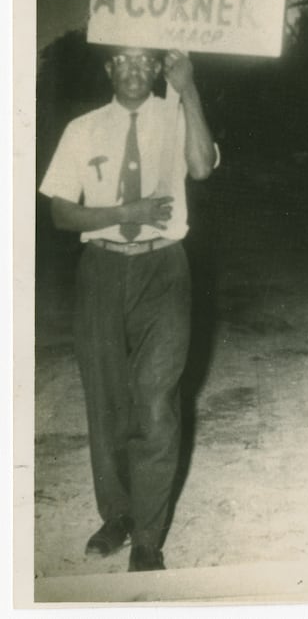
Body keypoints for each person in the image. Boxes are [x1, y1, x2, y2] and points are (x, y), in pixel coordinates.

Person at [39, 46, 218, 571]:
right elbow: (60, 213)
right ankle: (116, 514)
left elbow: (203, 167)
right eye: (124, 60)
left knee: (157, 400)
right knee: (106, 398)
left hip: (164, 269)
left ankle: (147, 536)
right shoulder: (83, 129)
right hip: (101, 269)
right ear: (109, 69)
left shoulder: (176, 114)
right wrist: (124, 212)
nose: (135, 69)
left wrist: (188, 89)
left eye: (146, 60)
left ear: (158, 67)